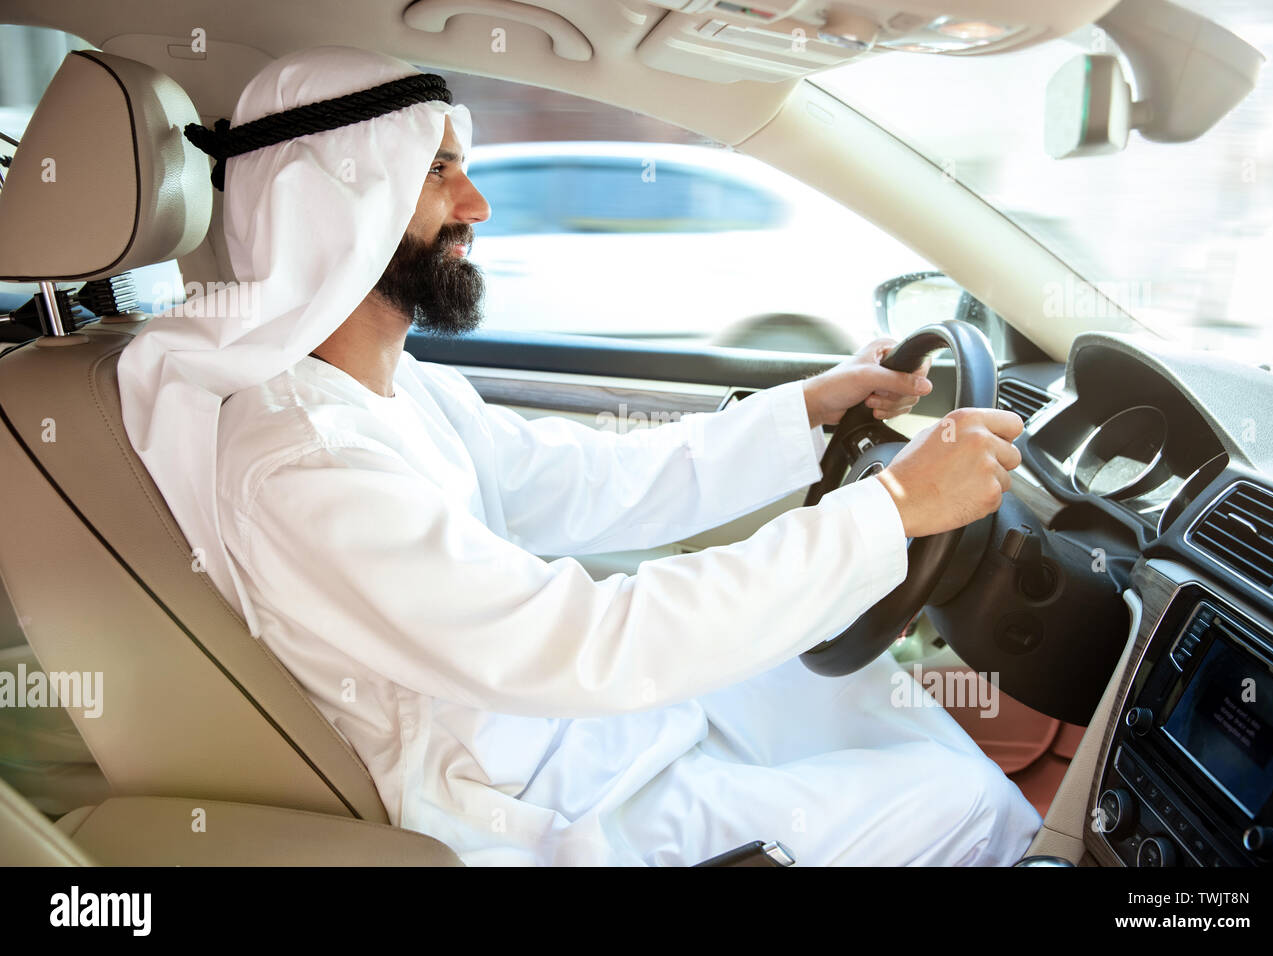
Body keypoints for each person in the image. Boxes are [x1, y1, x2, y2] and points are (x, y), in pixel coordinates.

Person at [119, 46, 1040, 866]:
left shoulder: (396, 389)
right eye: (439, 173)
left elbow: (593, 479)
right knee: (966, 806)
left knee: (886, 697)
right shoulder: (305, 465)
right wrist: (893, 510)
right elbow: (587, 644)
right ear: (337, 202)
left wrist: (804, 408)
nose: (476, 204)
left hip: (575, 732)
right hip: (532, 802)